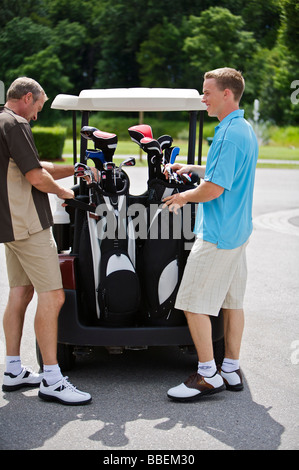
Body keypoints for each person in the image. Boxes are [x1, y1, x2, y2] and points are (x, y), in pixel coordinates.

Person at [163, 67, 258, 401]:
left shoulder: (228, 133)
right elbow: (222, 173)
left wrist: (183, 196)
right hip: (237, 231)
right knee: (232, 303)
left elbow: (215, 188)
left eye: (207, 91)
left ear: (227, 94)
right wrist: (193, 170)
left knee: (191, 302)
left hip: (218, 234)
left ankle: (207, 374)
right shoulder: (242, 128)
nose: (202, 97)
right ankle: (229, 368)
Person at [0, 77, 91, 405]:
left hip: (10, 226)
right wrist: (69, 194)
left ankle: (12, 369)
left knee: (20, 293)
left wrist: (76, 170)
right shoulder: (17, 123)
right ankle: (52, 377)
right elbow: (37, 177)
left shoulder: (3, 120)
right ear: (27, 98)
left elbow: (36, 166)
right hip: (29, 225)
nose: (38, 113)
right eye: (38, 106)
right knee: (53, 297)